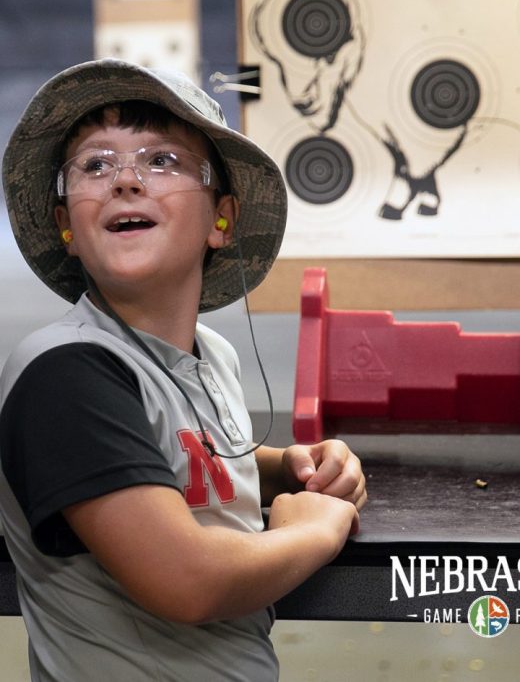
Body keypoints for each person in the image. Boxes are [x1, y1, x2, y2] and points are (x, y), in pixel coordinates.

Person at [0, 58, 366, 682]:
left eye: (161, 160)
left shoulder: (210, 354)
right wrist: (318, 527)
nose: (125, 181)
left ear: (222, 218)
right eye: (95, 164)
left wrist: (286, 464)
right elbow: (187, 580)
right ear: (66, 224)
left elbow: (175, 458)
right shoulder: (64, 374)